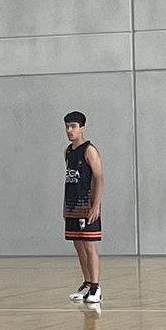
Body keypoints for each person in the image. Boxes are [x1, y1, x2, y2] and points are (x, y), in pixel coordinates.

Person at [63, 111, 103, 304]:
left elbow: (99, 178)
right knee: (78, 245)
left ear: (82, 128)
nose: (69, 130)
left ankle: (96, 287)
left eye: (73, 126)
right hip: (72, 206)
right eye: (67, 127)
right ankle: (87, 283)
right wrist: (65, 208)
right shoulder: (68, 151)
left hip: (87, 205)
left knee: (89, 245)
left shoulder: (90, 150)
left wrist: (96, 205)